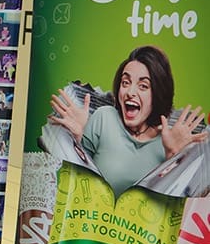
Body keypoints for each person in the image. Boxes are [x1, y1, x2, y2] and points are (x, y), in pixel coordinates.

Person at [48, 46, 206, 196]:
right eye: (126, 82)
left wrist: (173, 156)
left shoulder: (168, 143)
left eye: (143, 86)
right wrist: (76, 140)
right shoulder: (104, 118)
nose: (130, 92)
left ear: (158, 94)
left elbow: (168, 205)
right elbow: (76, 183)